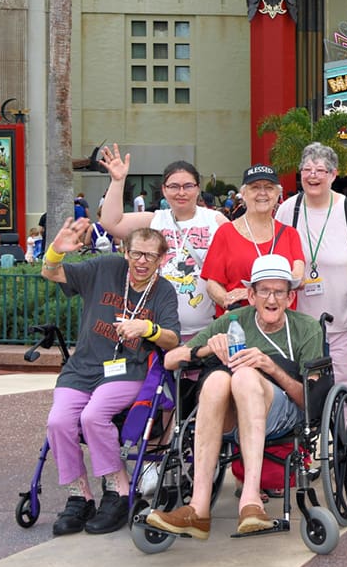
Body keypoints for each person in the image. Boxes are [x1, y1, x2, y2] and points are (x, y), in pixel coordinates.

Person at [146, 254, 324, 540]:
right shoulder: (233, 321)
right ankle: (198, 508)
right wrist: (206, 349)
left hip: (282, 413)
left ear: (291, 297)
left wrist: (269, 366)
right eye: (264, 290)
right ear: (251, 295)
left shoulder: (306, 328)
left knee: (243, 375)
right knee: (217, 379)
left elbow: (310, 401)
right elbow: (171, 361)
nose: (272, 298)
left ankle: (251, 500)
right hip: (232, 416)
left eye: (279, 291)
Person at [40, 218, 180, 535]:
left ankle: (119, 490)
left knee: (93, 416)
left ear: (162, 259)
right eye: (136, 254)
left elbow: (172, 339)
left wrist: (148, 329)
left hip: (127, 369)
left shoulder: (163, 291)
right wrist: (56, 252)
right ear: (125, 251)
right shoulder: (105, 268)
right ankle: (80, 495)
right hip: (82, 368)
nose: (142, 262)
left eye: (150, 256)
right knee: (58, 422)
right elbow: (50, 273)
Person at [98, 147, 230, 341]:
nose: (181, 192)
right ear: (164, 190)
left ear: (198, 188)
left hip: (205, 330)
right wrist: (118, 182)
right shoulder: (155, 220)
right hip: (157, 332)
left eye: (188, 186)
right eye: (174, 186)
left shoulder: (216, 221)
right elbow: (111, 222)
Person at [276, 143, 347, 394]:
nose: (313, 175)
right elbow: (275, 258)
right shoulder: (289, 209)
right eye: (307, 169)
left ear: (333, 174)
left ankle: (346, 435)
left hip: (344, 319)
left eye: (320, 170)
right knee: (302, 388)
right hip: (299, 324)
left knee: (345, 387)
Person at [200, 165, 304, 317]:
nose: (262, 193)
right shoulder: (225, 233)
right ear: (243, 194)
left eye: (269, 188)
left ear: (277, 194)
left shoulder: (290, 234)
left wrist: (250, 293)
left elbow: (298, 277)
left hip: (281, 323)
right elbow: (212, 283)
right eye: (255, 187)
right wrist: (228, 301)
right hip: (239, 322)